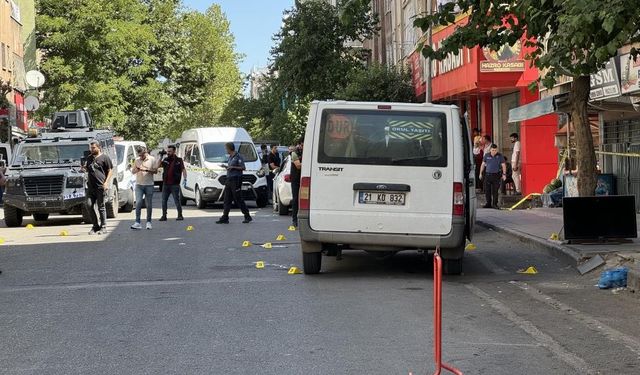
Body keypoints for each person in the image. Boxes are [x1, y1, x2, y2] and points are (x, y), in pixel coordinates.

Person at [216, 142, 252, 224]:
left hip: (236, 179)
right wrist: (226, 167)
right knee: (227, 199)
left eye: (226, 148)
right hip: (229, 179)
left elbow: (243, 167)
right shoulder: (230, 157)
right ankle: (225, 217)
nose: (225, 150)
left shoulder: (238, 156)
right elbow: (230, 167)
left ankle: (247, 215)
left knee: (238, 198)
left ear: (229, 148)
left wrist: (233, 167)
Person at [84, 141, 114, 235]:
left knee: (101, 206)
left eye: (93, 148)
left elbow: (110, 171)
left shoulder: (105, 157)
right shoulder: (89, 158)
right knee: (88, 205)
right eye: (91, 148)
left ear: (98, 148)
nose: (91, 149)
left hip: (100, 186)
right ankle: (95, 226)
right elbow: (88, 169)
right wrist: (84, 168)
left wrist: (106, 183)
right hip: (91, 187)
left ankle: (103, 227)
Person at [131, 147, 157, 230]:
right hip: (139, 184)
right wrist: (137, 169)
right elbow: (133, 171)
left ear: (145, 153)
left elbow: (155, 171)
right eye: (139, 155)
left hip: (149, 184)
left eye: (142, 155)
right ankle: (137, 222)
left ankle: (148, 222)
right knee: (138, 202)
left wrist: (146, 170)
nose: (141, 157)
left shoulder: (152, 159)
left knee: (148, 204)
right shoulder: (137, 160)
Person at [159, 145, 187, 221]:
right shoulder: (165, 159)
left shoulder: (179, 160)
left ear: (174, 151)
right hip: (166, 184)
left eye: (170, 151)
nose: (168, 153)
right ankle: (164, 215)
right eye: (167, 151)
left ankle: (180, 215)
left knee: (176, 200)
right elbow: (158, 166)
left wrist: (185, 178)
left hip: (175, 184)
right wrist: (161, 157)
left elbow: (183, 169)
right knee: (164, 200)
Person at [479, 144, 507, 209]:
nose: (494, 151)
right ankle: (488, 203)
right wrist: (480, 173)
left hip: (496, 175)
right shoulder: (486, 155)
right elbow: (482, 165)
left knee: (495, 190)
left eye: (495, 150)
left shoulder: (500, 156)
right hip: (488, 175)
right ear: (490, 150)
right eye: (493, 150)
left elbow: (503, 165)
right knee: (487, 190)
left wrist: (504, 174)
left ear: (497, 150)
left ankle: (495, 204)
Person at [290, 137, 303, 228]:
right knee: (295, 199)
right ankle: (294, 220)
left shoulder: (307, 152)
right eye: (302, 145)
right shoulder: (294, 153)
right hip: (295, 179)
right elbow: (298, 166)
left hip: (304, 178)